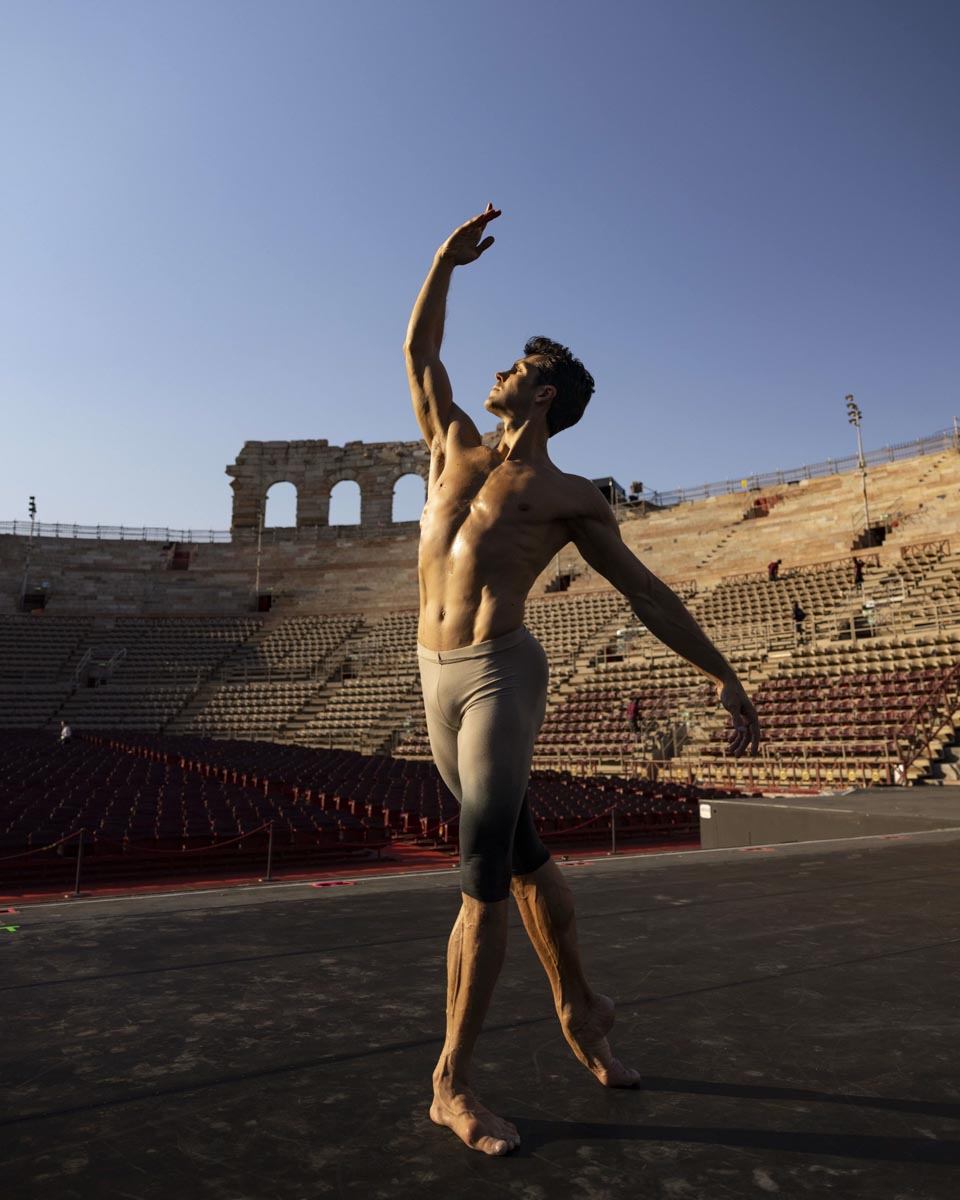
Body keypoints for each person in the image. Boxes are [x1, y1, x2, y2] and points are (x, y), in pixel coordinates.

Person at [404, 204, 761, 1158]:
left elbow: (645, 592)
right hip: (431, 674)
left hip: (497, 679)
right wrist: (443, 261)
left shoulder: (570, 497)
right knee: (524, 856)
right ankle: (583, 1009)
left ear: (547, 395)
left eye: (519, 367)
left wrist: (721, 672)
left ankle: (450, 1082)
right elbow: (419, 352)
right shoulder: (450, 443)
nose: (498, 373)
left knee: (481, 881)